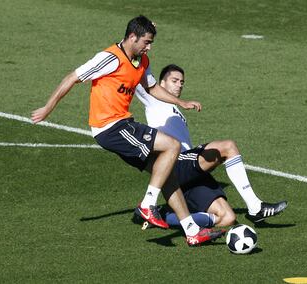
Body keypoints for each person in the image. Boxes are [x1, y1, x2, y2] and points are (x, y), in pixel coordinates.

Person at [31, 16, 225, 246]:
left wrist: (180, 102)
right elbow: (72, 77)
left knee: (166, 173)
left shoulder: (142, 60)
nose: (149, 46)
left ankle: (192, 231)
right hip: (110, 127)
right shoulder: (109, 58)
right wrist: (47, 108)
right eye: (146, 41)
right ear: (132, 37)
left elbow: (151, 87)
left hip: (124, 124)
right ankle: (148, 205)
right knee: (172, 145)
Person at [134, 64, 288, 228]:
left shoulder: (175, 109)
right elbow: (135, 79)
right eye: (174, 80)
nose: (179, 84)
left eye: (182, 82)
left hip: (188, 173)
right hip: (176, 163)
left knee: (226, 217)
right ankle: (255, 207)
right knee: (228, 147)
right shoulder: (154, 99)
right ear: (161, 83)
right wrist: (132, 58)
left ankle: (163, 216)